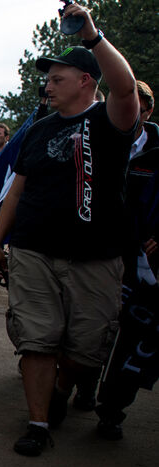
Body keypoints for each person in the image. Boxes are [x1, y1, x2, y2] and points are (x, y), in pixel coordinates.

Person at [0, 3, 140, 456]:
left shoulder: (111, 120)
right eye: (47, 79)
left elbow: (127, 86)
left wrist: (92, 36)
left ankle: (60, 388)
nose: (47, 85)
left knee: (84, 349)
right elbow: (16, 192)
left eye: (57, 78)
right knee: (36, 340)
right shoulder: (37, 130)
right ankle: (38, 423)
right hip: (34, 251)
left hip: (96, 257)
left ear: (85, 82)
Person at [92, 79, 159, 439]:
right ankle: (99, 398)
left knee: (137, 340)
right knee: (104, 327)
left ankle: (111, 407)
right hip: (105, 254)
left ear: (148, 111)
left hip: (145, 261)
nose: (134, 112)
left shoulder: (156, 151)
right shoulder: (96, 142)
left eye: (141, 105)